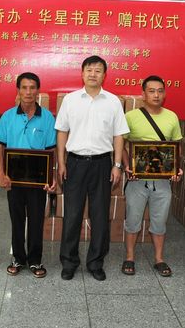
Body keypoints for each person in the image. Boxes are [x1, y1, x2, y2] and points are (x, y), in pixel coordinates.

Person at [55, 55, 129, 281]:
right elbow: (62, 131)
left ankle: (96, 262)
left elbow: (119, 135)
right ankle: (69, 262)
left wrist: (117, 165)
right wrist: (61, 162)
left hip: (102, 164)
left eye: (98, 70)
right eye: (89, 70)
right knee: (72, 215)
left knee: (100, 216)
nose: (93, 74)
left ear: (104, 75)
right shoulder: (70, 100)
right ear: (82, 73)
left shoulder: (113, 102)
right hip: (75, 163)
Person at [0, 72, 57, 278]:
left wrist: (51, 177)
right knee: (17, 219)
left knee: (37, 219)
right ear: (18, 90)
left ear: (38, 91)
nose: (28, 92)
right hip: (14, 179)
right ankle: (18, 258)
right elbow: (0, 148)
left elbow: (51, 150)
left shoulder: (47, 117)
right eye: (24, 88)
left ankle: (35, 260)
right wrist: (1, 174)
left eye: (32, 88)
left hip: (38, 179)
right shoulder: (7, 116)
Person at [121, 75, 183, 277]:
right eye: (151, 91)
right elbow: (121, 144)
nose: (156, 95)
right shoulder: (131, 116)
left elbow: (176, 146)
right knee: (133, 219)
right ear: (143, 94)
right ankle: (129, 257)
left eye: (160, 91)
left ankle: (159, 259)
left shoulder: (172, 117)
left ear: (164, 94)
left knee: (160, 220)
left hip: (163, 181)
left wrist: (176, 168)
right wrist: (127, 165)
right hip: (137, 180)